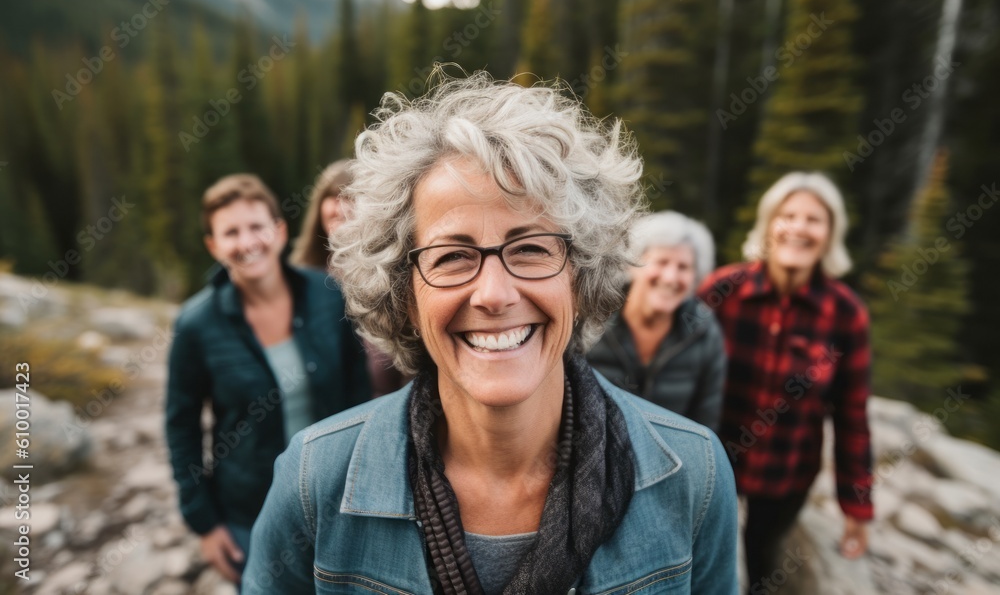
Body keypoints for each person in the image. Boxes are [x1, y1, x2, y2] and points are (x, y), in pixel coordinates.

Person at [243, 74, 738, 594]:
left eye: (531, 249)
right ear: (405, 297)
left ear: (580, 275)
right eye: (453, 257)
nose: (494, 294)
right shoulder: (314, 479)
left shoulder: (693, 475)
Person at [165, 174, 371, 588]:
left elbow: (358, 394)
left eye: (257, 226)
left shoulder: (328, 295)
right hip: (249, 512)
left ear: (279, 231)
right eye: (231, 232)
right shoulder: (196, 325)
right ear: (213, 245)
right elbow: (181, 427)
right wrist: (204, 523)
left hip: (337, 499)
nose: (247, 242)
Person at [696, 172, 873, 594]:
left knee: (764, 566)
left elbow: (852, 416)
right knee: (698, 564)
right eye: (787, 215)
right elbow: (678, 374)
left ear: (830, 234)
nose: (798, 228)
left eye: (813, 220)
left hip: (787, 473)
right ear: (768, 224)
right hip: (712, 464)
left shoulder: (846, 313)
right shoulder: (721, 290)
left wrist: (856, 506)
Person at [587, 211, 727, 431]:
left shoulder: (704, 332)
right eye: (661, 262)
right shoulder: (592, 317)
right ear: (632, 264)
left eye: (683, 267)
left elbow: (705, 425)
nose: (670, 277)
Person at [291, 160, 403, 396]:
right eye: (332, 197)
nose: (340, 208)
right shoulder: (300, 278)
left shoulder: (391, 272)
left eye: (351, 198)